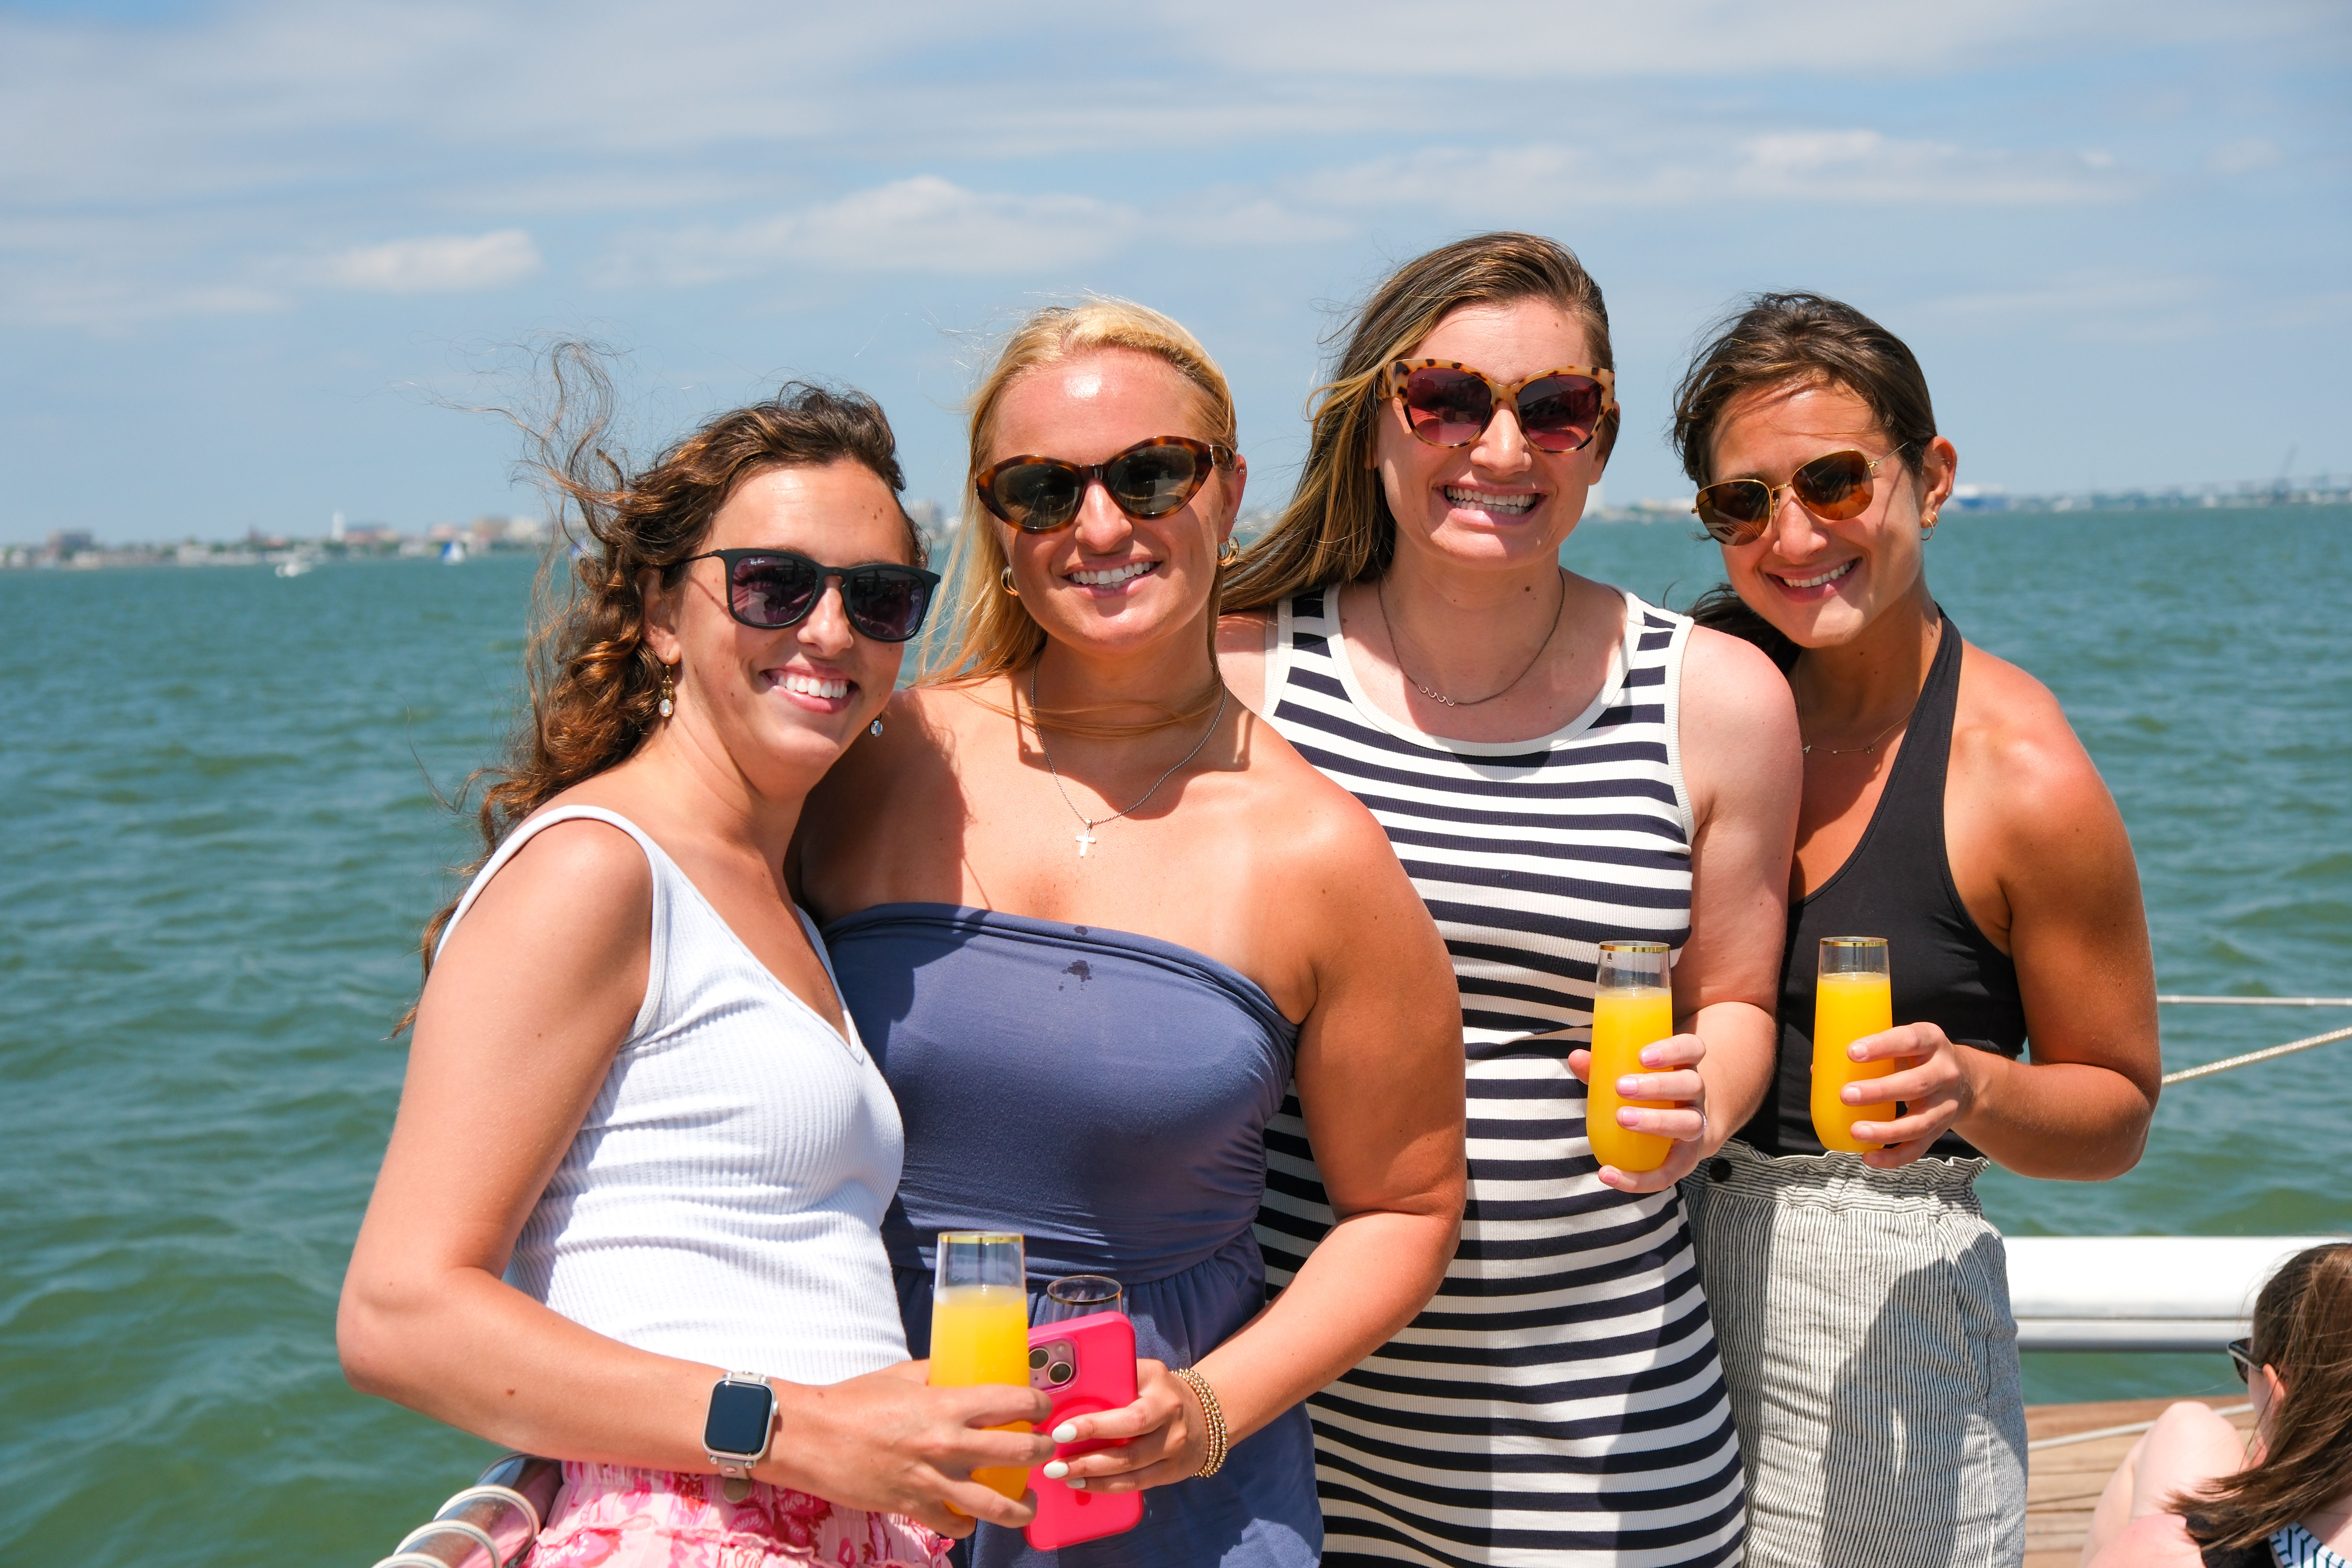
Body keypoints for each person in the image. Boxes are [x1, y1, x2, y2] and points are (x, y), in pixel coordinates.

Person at [338, 363, 1055, 1568]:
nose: (830, 629)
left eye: (880, 598)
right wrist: (803, 1426)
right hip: (694, 1528)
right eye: (775, 584)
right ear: (665, 616)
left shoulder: (777, 893)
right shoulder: (598, 871)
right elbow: (398, 1315)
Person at [794, 299, 1467, 1568]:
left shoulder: (1321, 850)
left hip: (1158, 1505)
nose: (1099, 526)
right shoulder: (879, 759)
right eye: (1042, 490)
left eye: (1151, 474)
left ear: (1228, 491)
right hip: (841, 1455)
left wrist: (1209, 1411)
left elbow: (1408, 1207)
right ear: (996, 519)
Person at [1217, 231, 1801, 1566]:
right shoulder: (1247, 678)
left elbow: (1733, 1006)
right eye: (1448, 400)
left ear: (1595, 443)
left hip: (1606, 1438)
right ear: (1378, 421)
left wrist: (1703, 1097)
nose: (1500, 445)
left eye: (1553, 408)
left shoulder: (1713, 698)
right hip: (1286, 1423)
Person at [1666, 292, 2164, 1568]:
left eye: (1833, 482)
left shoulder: (2020, 771)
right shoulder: (1685, 692)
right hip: (1644, 1317)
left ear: (1929, 478)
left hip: (1883, 1346)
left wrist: (1970, 1084)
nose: (1791, 535)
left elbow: (2115, 1109)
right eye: (1742, 503)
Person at [2079, 1241, 2352, 1568]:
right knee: (2189, 1422)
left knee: (2186, 1425)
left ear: (2280, 1392)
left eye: (2245, 1361)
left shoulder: (2171, 1553)